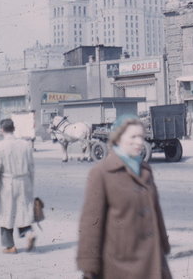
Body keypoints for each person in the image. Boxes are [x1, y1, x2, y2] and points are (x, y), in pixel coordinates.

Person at [77, 116, 172, 279]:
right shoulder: (101, 173)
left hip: (152, 260)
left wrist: (164, 245)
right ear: (118, 138)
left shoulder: (145, 170)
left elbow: (156, 213)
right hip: (120, 264)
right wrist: (89, 266)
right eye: (133, 137)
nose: (139, 142)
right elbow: (91, 224)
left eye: (141, 136)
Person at [0, 118, 36, 254]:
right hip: (24, 181)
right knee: (22, 211)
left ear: (2, 130)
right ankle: (29, 233)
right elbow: (31, 167)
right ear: (14, 128)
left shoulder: (0, 147)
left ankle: (10, 246)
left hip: (7, 184)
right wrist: (30, 184)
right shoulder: (25, 145)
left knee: (6, 213)